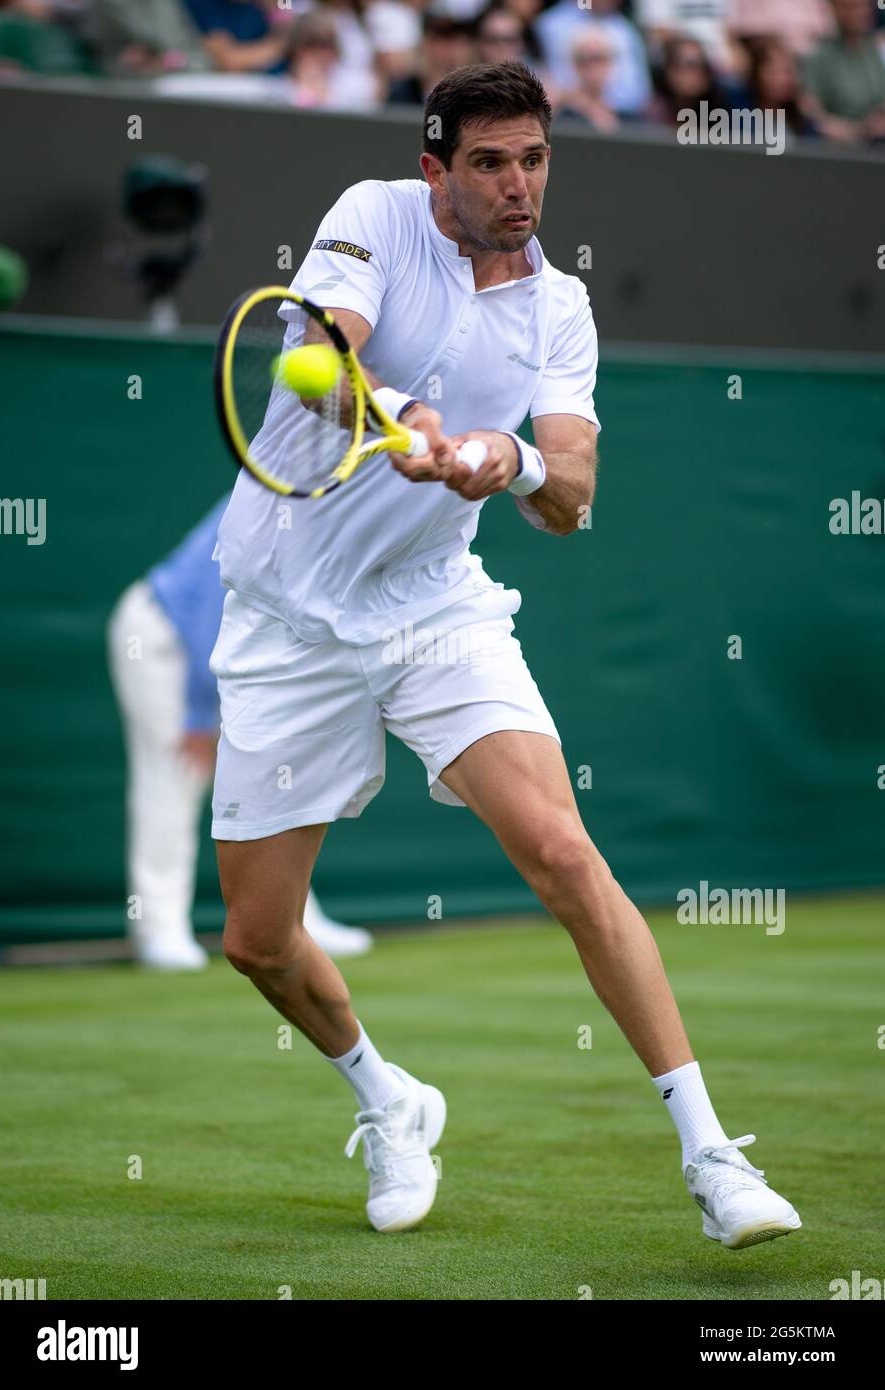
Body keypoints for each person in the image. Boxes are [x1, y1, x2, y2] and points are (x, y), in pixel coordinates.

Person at [210, 59, 802, 1247]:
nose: (517, 184)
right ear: (437, 167)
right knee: (258, 940)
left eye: (533, 158)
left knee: (561, 853)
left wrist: (505, 458)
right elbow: (309, 359)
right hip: (287, 619)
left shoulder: (559, 307)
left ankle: (713, 1158)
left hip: (436, 609)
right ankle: (391, 1100)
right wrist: (400, 425)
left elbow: (572, 490)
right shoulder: (373, 215)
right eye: (488, 162)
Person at [107, 498, 373, 971]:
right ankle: (159, 931)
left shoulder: (335, 509)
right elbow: (213, 603)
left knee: (271, 780)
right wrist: (196, 717)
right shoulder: (271, 498)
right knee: (173, 781)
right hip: (164, 639)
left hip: (229, 649)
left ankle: (295, 921)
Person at [801, 0, 885, 142]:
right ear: (834, 10)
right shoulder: (819, 56)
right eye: (849, 7)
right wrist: (853, 130)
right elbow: (811, 111)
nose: (858, 13)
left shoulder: (878, 49)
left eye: (863, 6)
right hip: (838, 145)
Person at [557, 29, 621, 131]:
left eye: (601, 58)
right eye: (586, 59)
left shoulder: (623, 113)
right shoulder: (565, 115)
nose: (594, 67)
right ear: (575, 65)